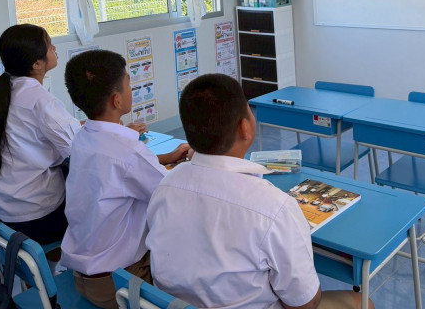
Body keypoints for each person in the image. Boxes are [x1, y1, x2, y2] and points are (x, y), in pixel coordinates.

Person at [146, 74, 373, 309]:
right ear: (245, 127)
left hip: (174, 304)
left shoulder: (166, 185)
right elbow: (305, 303)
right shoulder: (274, 207)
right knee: (362, 302)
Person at [60, 50, 190, 309]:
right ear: (116, 99)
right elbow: (174, 194)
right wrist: (197, 164)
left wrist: (167, 158)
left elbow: (121, 170)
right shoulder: (128, 152)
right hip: (118, 284)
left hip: (84, 274)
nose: (132, 89)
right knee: (192, 257)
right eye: (129, 83)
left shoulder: (83, 136)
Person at [0, 24, 79, 245]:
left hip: (0, 211)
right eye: (50, 46)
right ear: (36, 64)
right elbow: (80, 147)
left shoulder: (5, 92)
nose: (55, 48)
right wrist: (117, 132)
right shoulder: (41, 101)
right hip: (35, 219)